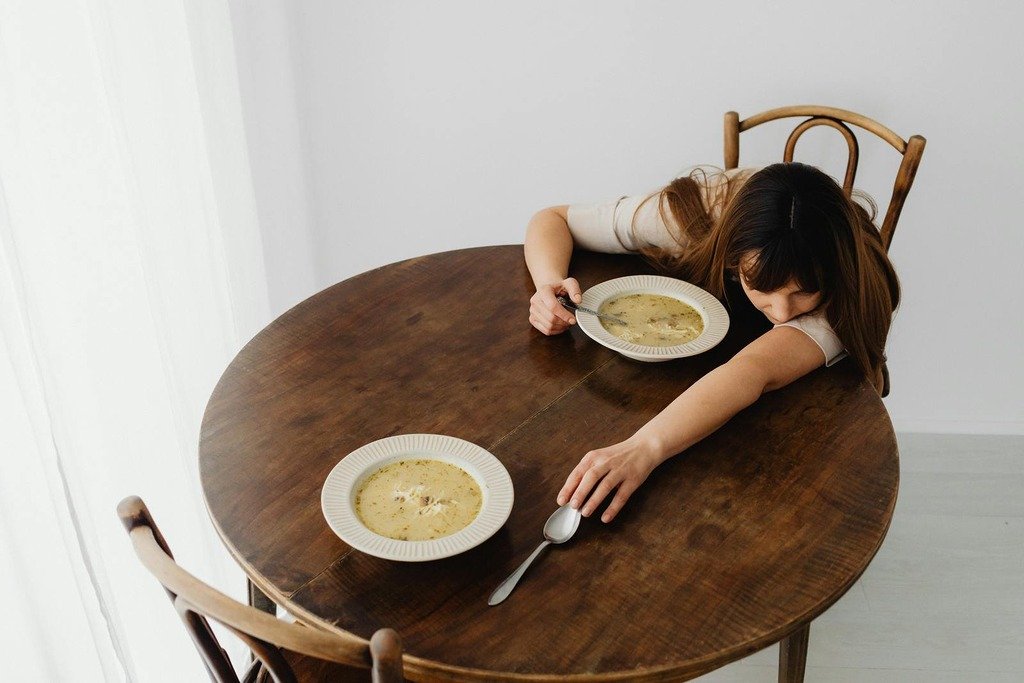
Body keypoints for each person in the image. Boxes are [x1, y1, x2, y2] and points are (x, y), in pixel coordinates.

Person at [523, 161, 900, 524]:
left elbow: (752, 370)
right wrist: (548, 284)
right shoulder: (692, 216)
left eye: (803, 293)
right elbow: (554, 219)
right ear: (732, 257)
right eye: (763, 288)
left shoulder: (846, 290)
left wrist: (643, 448)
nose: (783, 313)